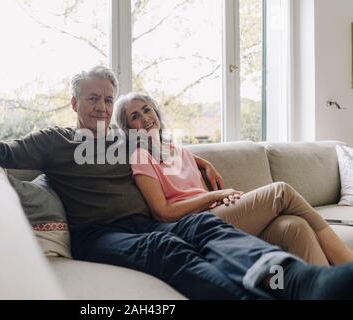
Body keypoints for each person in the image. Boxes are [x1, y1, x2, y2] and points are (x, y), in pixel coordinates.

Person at [0, 66, 353, 300]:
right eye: (92, 98)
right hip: (99, 234)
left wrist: (202, 161)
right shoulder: (54, 141)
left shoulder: (129, 140)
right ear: (74, 102)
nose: (101, 106)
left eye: (108, 99)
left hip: (151, 223)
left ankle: (301, 281)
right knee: (167, 248)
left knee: (208, 227)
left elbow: (170, 150)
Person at [114, 92, 353, 267]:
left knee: (294, 227)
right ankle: (346, 268)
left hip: (223, 214)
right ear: (129, 128)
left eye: (147, 109)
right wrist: (216, 194)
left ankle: (327, 289)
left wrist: (204, 163)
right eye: (135, 116)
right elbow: (163, 212)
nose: (145, 118)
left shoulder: (177, 149)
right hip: (201, 225)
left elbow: (180, 158)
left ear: (156, 112)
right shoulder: (140, 157)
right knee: (281, 192)